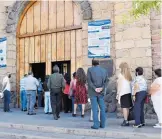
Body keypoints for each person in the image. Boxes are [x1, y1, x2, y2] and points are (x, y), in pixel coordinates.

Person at [87, 59, 108, 129]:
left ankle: (96, 125)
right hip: (101, 92)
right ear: (99, 63)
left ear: (92, 64)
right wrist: (102, 88)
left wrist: (94, 88)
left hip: (93, 92)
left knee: (95, 108)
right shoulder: (104, 70)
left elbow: (89, 81)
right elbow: (106, 81)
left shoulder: (90, 70)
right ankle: (103, 124)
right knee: (102, 108)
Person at [116, 62, 133, 126]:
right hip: (128, 92)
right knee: (127, 107)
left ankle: (126, 121)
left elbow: (119, 86)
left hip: (123, 93)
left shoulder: (120, 75)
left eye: (120, 68)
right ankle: (126, 120)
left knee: (124, 107)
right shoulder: (129, 75)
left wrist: (118, 94)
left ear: (122, 68)